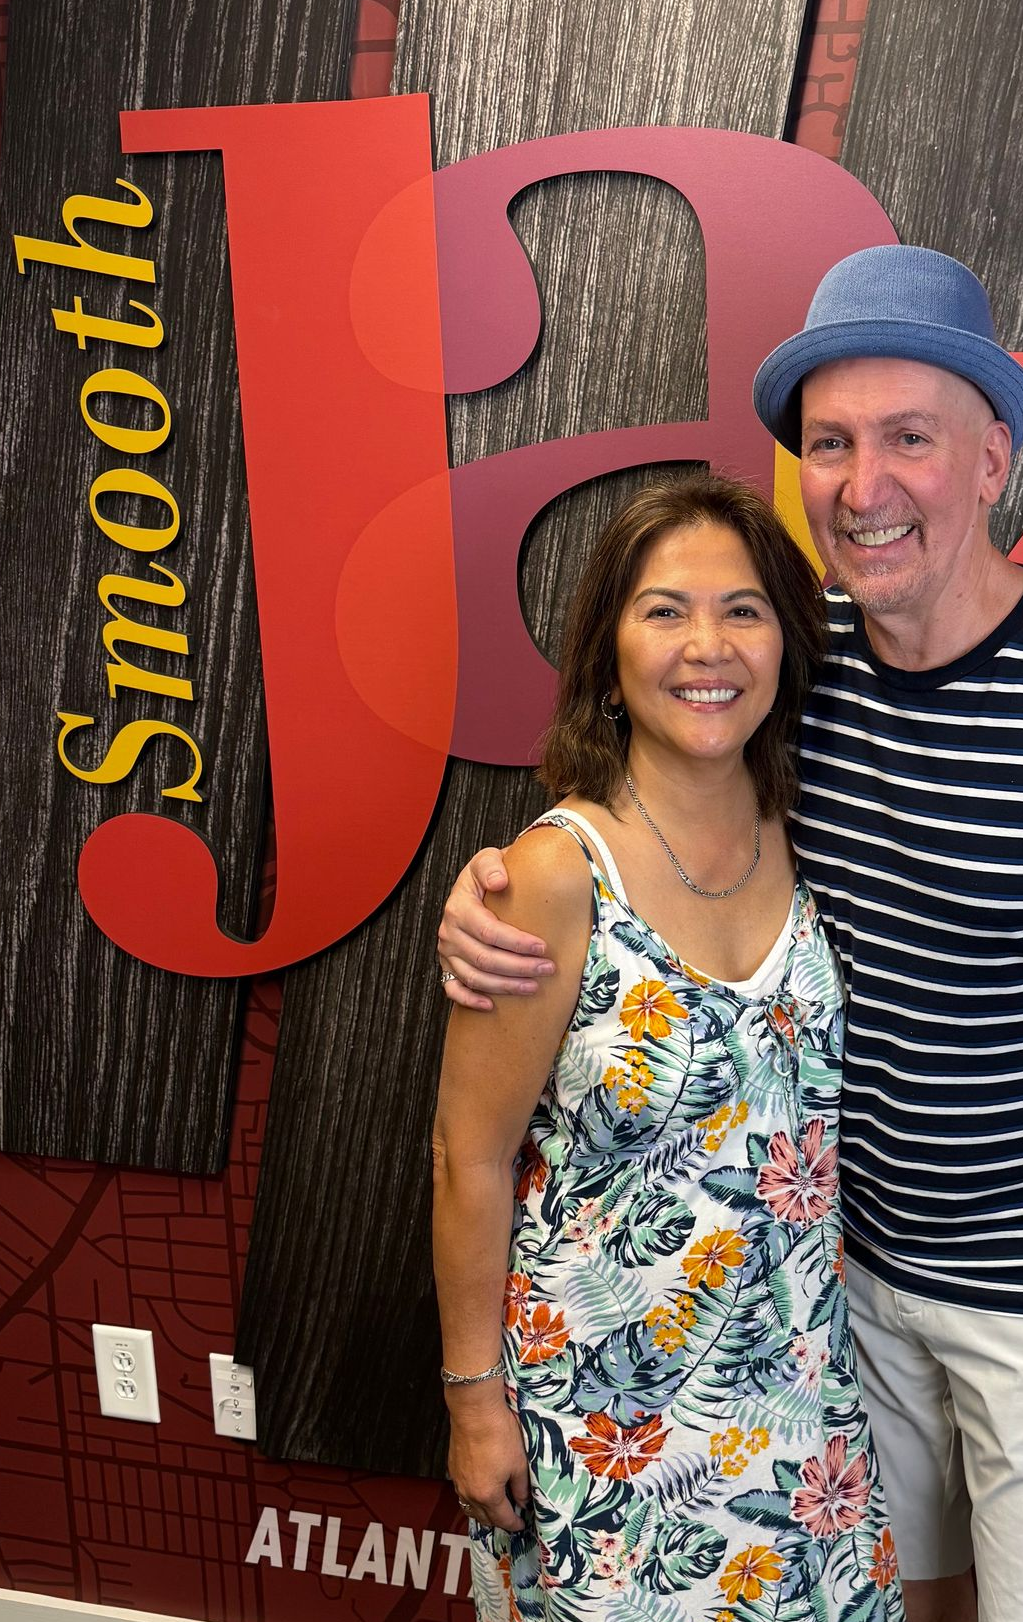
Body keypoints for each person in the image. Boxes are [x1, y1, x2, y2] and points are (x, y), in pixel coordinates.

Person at [436, 247, 1023, 1622]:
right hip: (842, 1286)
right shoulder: (791, 662)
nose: (864, 483)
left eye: (909, 439)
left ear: (992, 459)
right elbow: (642, 819)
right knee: (893, 1602)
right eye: (831, 443)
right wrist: (490, 895)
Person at [431, 472, 906, 1622]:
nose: (708, 645)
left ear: (786, 645)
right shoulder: (553, 874)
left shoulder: (808, 832)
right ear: (608, 657)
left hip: (799, 1408)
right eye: (664, 610)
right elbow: (467, 1157)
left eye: (744, 609)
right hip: (607, 1423)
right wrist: (474, 1401)